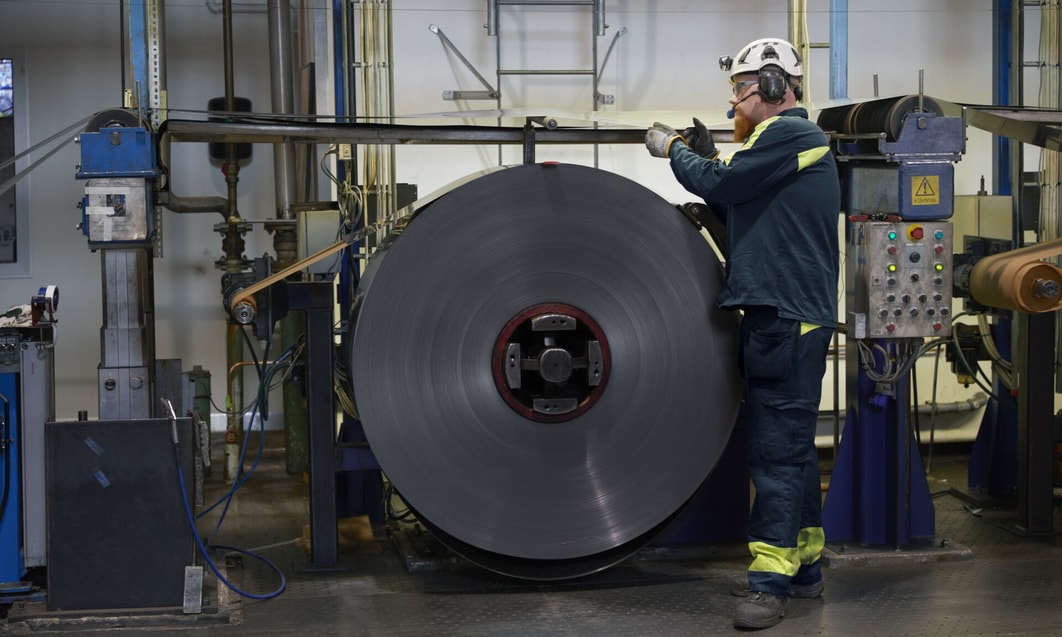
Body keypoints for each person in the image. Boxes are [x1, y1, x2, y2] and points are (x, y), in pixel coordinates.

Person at [645, 38, 840, 631]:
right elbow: (738, 201)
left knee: (775, 454)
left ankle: (769, 582)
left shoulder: (792, 136)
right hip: (786, 312)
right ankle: (804, 567)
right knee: (795, 449)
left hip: (783, 313)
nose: (734, 100)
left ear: (777, 87)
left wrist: (676, 150)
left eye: (742, 87)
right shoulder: (775, 147)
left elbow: (723, 186)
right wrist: (708, 157)